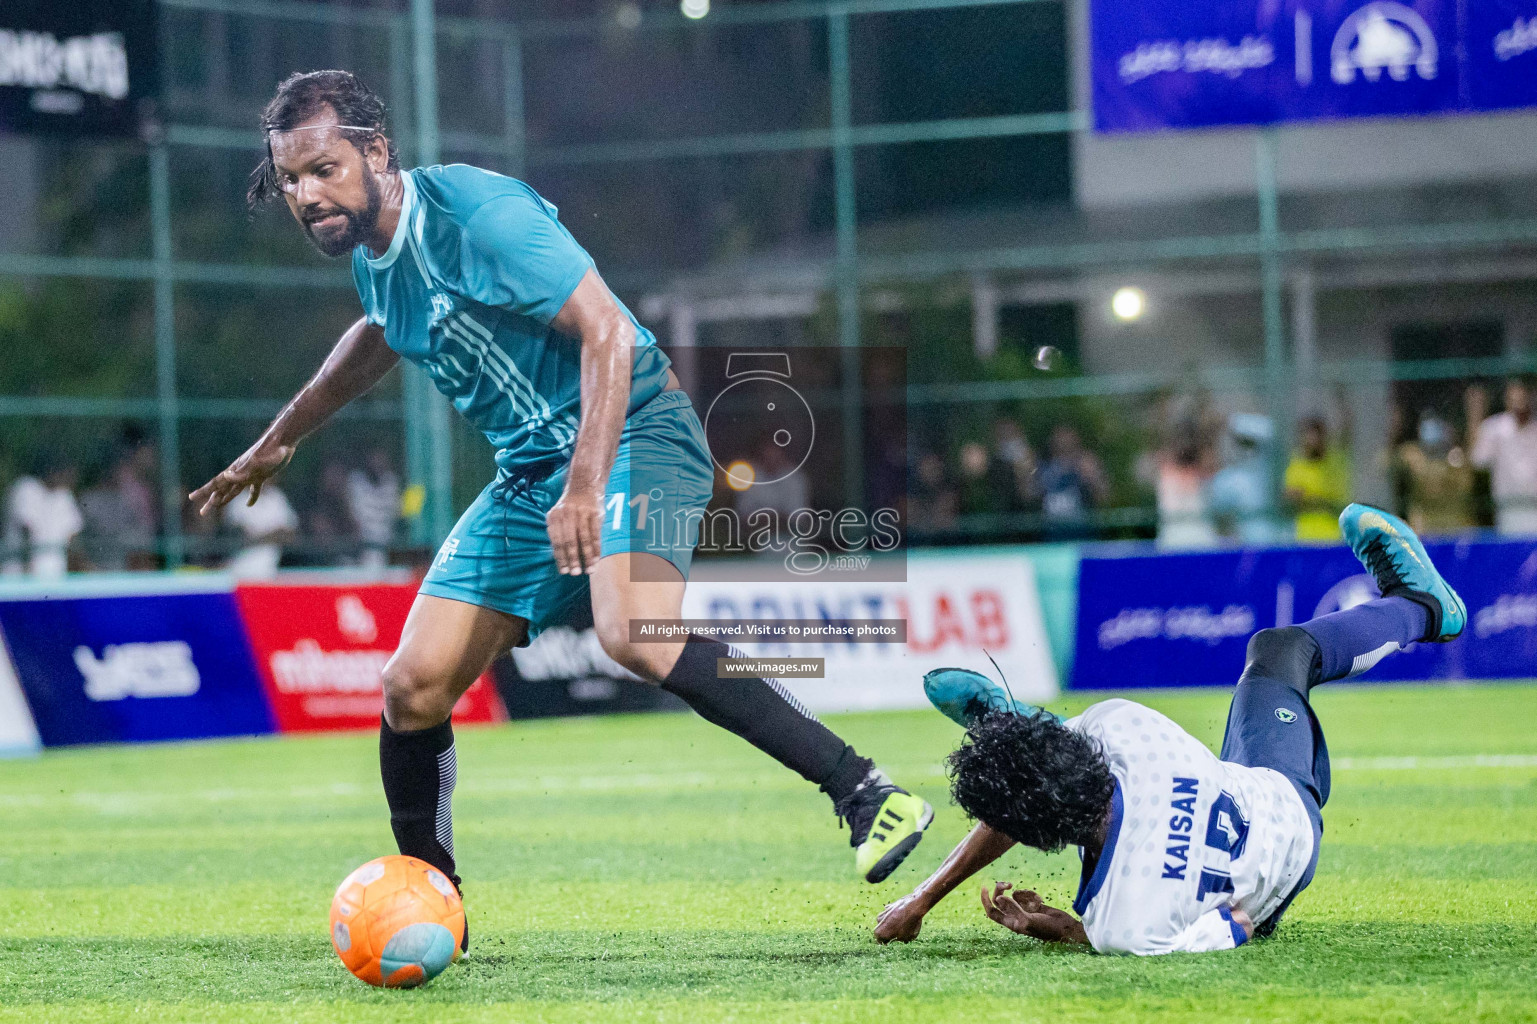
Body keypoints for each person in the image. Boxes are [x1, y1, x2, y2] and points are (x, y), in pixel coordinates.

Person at [188, 70, 930, 950]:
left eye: (323, 169)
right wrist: (284, 436)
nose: (308, 196)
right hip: (529, 472)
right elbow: (380, 332)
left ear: (375, 152)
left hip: (638, 432)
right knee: (411, 686)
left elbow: (608, 329)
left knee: (634, 631)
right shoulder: (374, 257)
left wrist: (585, 484)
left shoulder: (473, 213)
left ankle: (866, 790)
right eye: (291, 183)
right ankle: (436, 912)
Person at [874, 502, 1465, 955]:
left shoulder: (1124, 925)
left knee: (1044, 786)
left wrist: (1070, 930)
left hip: (1260, 809)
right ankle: (1421, 606)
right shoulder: (1127, 727)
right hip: (1280, 812)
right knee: (1282, 650)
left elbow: (1235, 925)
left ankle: (1018, 737)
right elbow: (1236, 918)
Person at [1466, 379, 1537, 536]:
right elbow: (1477, 460)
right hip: (1508, 510)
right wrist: (1475, 413)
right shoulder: (1494, 428)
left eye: (1524, 395)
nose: (1519, 400)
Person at [1394, 414, 1473, 536]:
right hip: (1424, 525)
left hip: (1453, 525)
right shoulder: (1412, 456)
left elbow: (1466, 487)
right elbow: (1383, 463)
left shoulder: (1457, 460)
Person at [2, 458, 83, 579]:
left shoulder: (64, 496)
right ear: (53, 471)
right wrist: (28, 572)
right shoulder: (26, 487)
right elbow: (26, 531)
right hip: (20, 576)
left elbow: (72, 538)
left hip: (53, 577)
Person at [1208, 413, 1281, 547]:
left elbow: (1268, 430)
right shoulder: (1229, 479)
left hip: (1274, 544)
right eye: (1243, 443)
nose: (1247, 450)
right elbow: (1216, 509)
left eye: (1250, 443)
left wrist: (1232, 421)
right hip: (1246, 548)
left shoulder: (1268, 472)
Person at [1283, 416, 1351, 542]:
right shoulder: (1297, 464)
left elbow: (1347, 433)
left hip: (1332, 533)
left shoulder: (1334, 463)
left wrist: (1309, 498)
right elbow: (1291, 495)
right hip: (1305, 534)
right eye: (1308, 435)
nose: (1312, 441)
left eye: (1316, 435)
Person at [1037, 424, 1109, 540]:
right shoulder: (1043, 467)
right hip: (1051, 534)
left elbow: (1104, 497)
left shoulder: (1086, 464)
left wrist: (1093, 477)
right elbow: (1030, 496)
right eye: (1060, 436)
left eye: (1067, 436)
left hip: (1083, 532)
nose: (1063, 440)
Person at [223, 480, 299, 578]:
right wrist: (274, 535)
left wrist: (257, 538)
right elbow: (241, 538)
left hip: (272, 571)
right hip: (241, 570)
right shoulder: (238, 500)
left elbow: (290, 535)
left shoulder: (277, 497)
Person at [347, 449, 400, 569]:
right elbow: (351, 518)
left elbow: (399, 515)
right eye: (375, 457)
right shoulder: (355, 482)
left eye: (381, 458)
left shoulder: (392, 483)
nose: (378, 462)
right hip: (360, 552)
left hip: (388, 552)